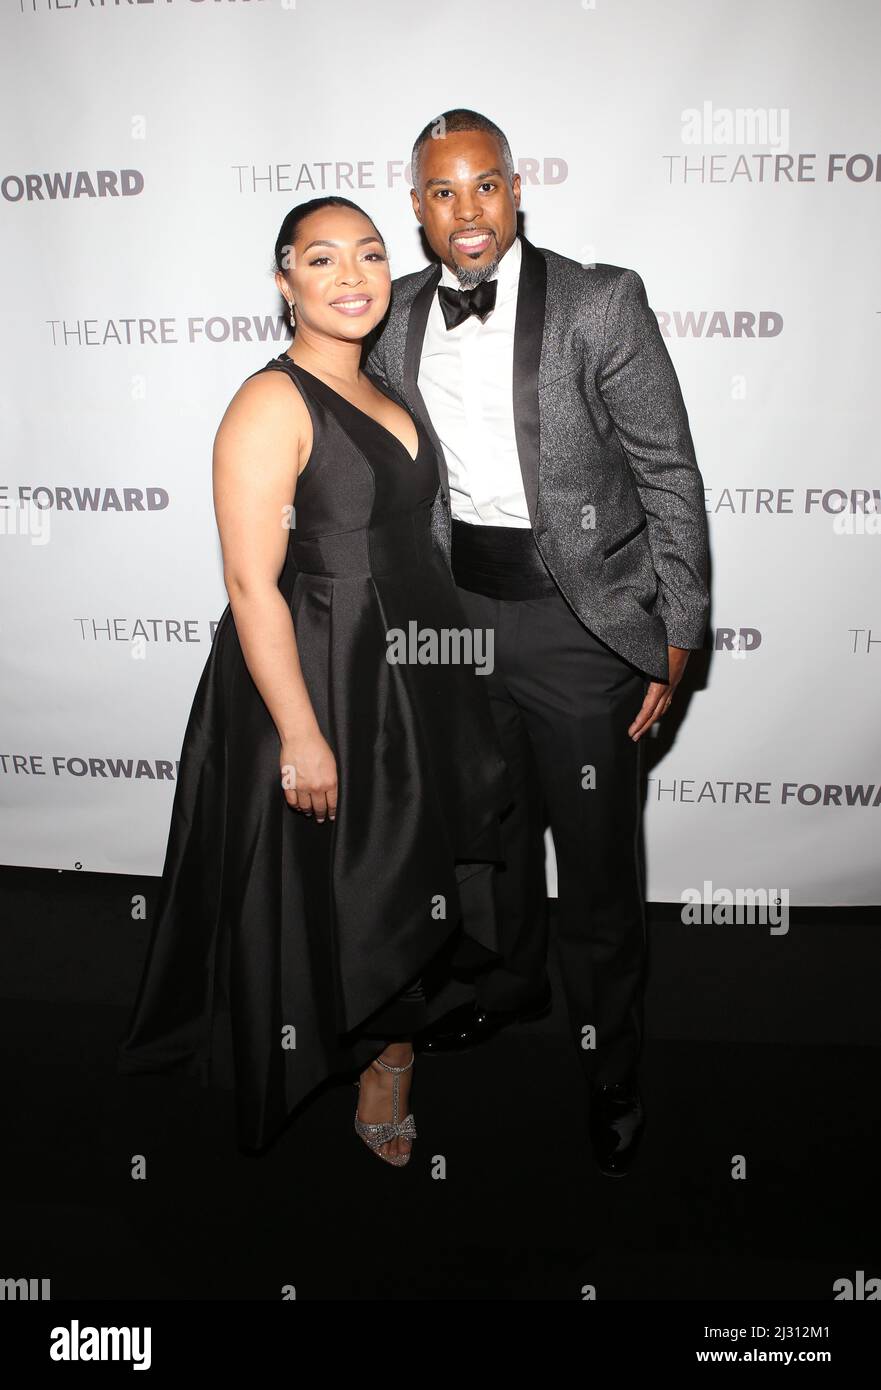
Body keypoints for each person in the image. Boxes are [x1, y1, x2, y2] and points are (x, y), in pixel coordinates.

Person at [116, 195, 510, 1167]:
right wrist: (299, 732)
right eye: (322, 257)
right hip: (325, 676)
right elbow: (252, 582)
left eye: (370, 255)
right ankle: (352, 1049)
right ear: (284, 279)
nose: (350, 275)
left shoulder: (386, 385)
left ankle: (393, 1047)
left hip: (413, 671)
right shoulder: (268, 400)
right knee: (340, 880)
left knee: (414, 870)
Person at [366, 110, 710, 1176]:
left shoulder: (600, 302)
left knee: (597, 866)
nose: (464, 212)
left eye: (482, 186)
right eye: (439, 192)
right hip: (454, 623)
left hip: (577, 627)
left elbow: (666, 470)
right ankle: (504, 985)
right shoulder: (393, 315)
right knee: (483, 838)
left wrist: (673, 631)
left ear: (515, 189)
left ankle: (609, 1060)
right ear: (415, 206)